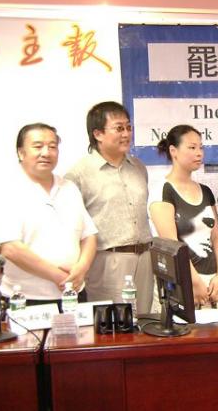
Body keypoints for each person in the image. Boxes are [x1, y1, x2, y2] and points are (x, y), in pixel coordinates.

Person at [0, 123, 97, 310]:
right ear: (21, 153)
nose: (46, 152)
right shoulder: (8, 190)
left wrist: (81, 268)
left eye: (52, 146)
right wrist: (59, 277)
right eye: (38, 146)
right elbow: (11, 249)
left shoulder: (69, 188)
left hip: (74, 294)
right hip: (27, 299)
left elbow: (89, 235)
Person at [65, 101, 154, 314]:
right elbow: (74, 227)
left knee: (144, 323)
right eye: (119, 128)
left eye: (128, 127)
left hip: (144, 257)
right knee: (113, 328)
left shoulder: (138, 167)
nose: (126, 134)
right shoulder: (78, 174)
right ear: (98, 134)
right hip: (107, 260)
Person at [149, 125, 218, 307]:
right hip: (180, 282)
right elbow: (171, 243)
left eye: (201, 147)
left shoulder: (206, 191)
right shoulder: (163, 190)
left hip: (211, 282)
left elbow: (216, 237)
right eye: (192, 148)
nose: (199, 153)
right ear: (173, 151)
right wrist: (195, 282)